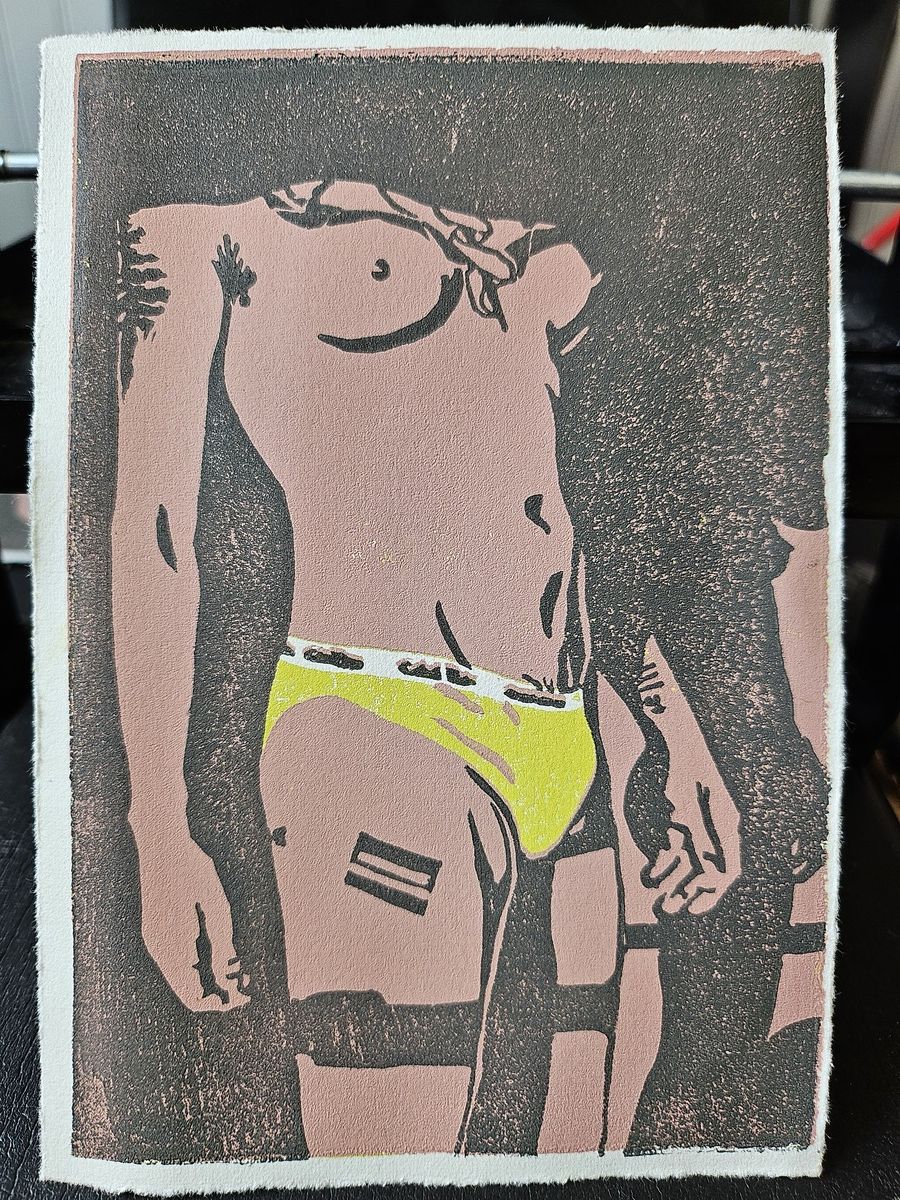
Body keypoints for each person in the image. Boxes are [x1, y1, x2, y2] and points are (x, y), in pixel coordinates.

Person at [112, 180, 741, 1156]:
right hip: (378, 724)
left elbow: (576, 512)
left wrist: (675, 730)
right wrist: (158, 827)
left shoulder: (525, 230)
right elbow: (154, 531)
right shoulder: (207, 229)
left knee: (583, 1151)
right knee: (384, 1150)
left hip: (568, 728)